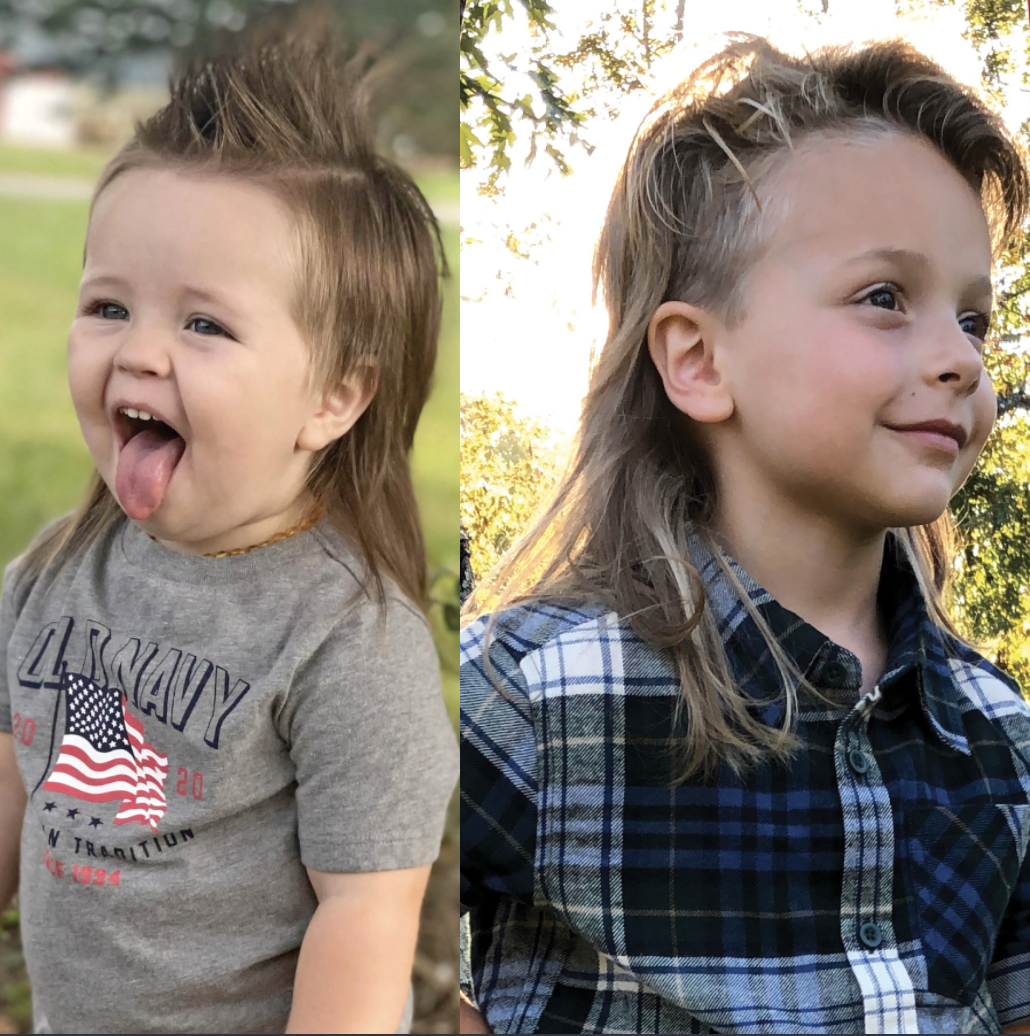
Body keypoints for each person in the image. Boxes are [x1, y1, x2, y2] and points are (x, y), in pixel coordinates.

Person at [459, 33, 1030, 1035]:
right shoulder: (530, 695)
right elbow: (325, 920)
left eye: (973, 320)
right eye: (885, 298)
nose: (958, 360)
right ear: (698, 361)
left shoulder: (996, 732)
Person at [0, 13, 457, 1036]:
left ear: (334, 398)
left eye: (204, 324)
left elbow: (365, 922)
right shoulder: (54, 572)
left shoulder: (346, 640)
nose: (139, 353)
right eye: (109, 306)